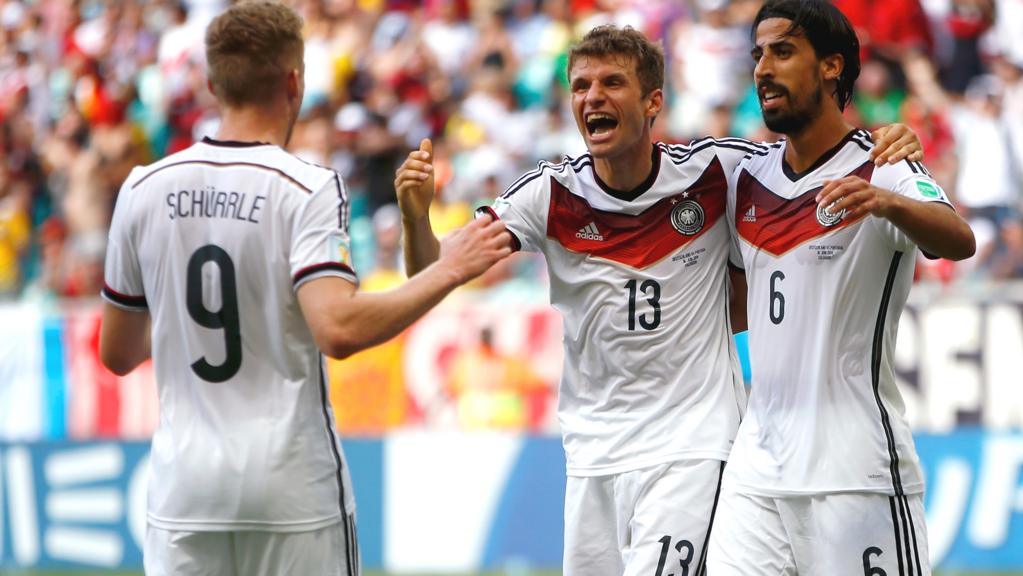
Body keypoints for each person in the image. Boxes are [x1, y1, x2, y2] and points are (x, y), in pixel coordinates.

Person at [395, 24, 923, 576]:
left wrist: (889, 145)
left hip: (693, 449)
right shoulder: (549, 194)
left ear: (653, 102)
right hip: (592, 454)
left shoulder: (716, 171)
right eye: (580, 87)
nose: (592, 97)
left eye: (611, 83)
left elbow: (810, 157)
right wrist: (415, 218)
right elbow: (432, 276)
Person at [97, 3, 510, 575]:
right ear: (294, 81)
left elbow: (117, 352)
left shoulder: (144, 188)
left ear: (213, 83)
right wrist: (449, 268)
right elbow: (337, 329)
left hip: (184, 492)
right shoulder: (305, 187)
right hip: (291, 488)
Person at [708, 1, 975, 574]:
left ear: (832, 67)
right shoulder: (746, 179)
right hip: (756, 469)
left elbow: (959, 240)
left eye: (782, 51)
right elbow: (739, 305)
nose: (762, 68)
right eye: (758, 54)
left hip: (856, 472)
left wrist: (889, 202)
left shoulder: (884, 165)